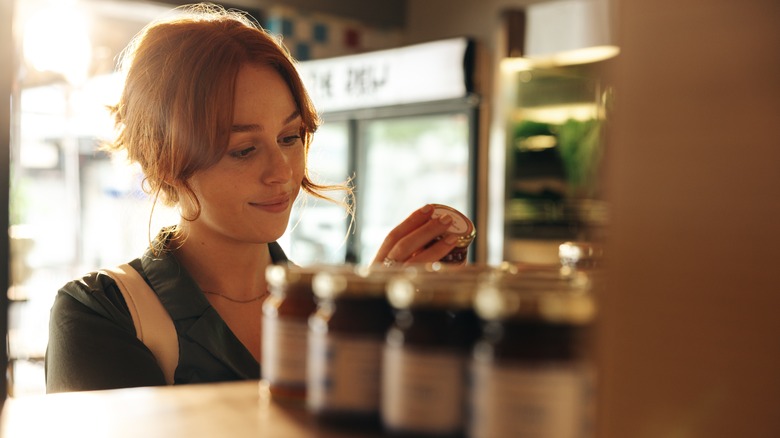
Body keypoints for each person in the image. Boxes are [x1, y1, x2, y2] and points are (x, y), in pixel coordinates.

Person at [44, 4, 463, 393]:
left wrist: (371, 324)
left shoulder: (327, 306)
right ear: (164, 161)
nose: (282, 172)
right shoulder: (100, 312)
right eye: (243, 150)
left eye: (289, 137)